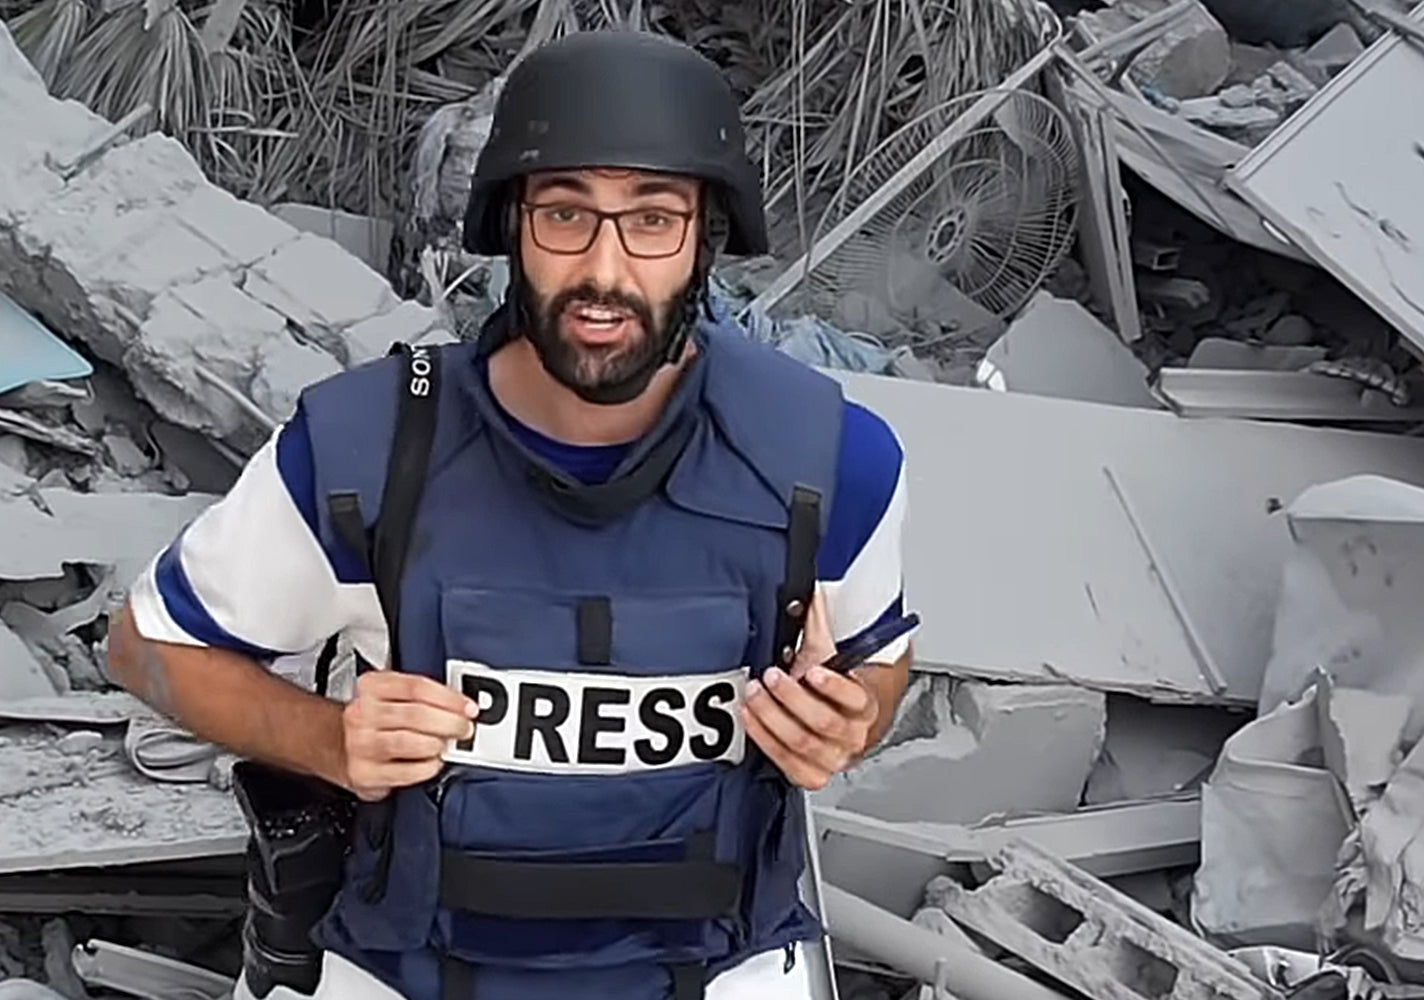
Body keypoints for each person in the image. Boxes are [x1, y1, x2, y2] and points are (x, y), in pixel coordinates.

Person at [107, 28, 917, 1000]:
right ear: (510, 228)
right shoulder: (364, 451)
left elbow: (878, 661)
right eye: (565, 216)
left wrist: (848, 719)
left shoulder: (826, 458)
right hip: (410, 967)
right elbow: (144, 646)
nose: (605, 270)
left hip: (713, 965)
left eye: (652, 221)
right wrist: (327, 740)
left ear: (706, 238)